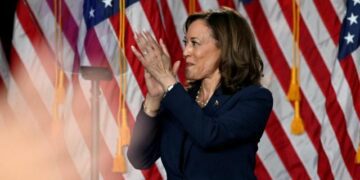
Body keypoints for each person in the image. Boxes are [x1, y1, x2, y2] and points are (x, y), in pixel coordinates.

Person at [128, 7, 273, 180]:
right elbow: (139, 158)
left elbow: (210, 135)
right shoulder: (180, 99)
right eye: (186, 43)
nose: (185, 52)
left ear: (225, 47)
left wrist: (168, 81)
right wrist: (154, 99)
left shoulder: (254, 98)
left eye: (194, 43)